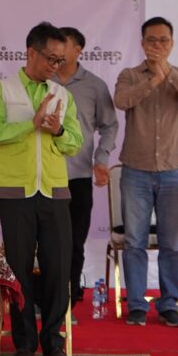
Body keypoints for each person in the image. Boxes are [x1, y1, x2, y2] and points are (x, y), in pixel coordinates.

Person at [0, 22, 83, 356]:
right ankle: (24, 344)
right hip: (16, 192)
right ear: (31, 52)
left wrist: (57, 129)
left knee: (59, 269)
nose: (56, 66)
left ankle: (54, 343)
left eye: (61, 61)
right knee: (18, 271)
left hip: (56, 192)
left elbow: (75, 142)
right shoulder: (1, 90)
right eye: (51, 58)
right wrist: (31, 123)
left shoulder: (64, 95)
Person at [113, 16, 178, 328]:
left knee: (171, 243)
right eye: (151, 40)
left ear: (172, 43)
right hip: (135, 172)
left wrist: (167, 75)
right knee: (135, 241)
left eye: (163, 40)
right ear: (142, 43)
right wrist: (152, 79)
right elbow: (121, 101)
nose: (157, 45)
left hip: (174, 170)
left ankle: (169, 304)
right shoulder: (129, 75)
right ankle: (137, 304)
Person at [56, 27, 118, 307]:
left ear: (78, 49)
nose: (57, 50)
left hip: (77, 176)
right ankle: (44, 296)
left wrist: (101, 159)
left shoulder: (94, 85)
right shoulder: (42, 81)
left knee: (73, 241)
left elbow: (109, 125)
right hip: (43, 176)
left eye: (63, 45)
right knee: (43, 242)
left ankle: (69, 295)